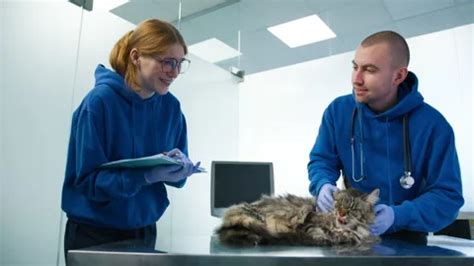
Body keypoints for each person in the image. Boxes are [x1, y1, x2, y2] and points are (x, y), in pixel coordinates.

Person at [61, 19, 200, 259]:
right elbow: (88, 182)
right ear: (136, 57)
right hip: (94, 234)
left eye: (179, 63)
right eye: (167, 62)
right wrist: (146, 175)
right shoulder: (99, 102)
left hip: (144, 230)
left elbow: (177, 179)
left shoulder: (171, 107)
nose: (174, 72)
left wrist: (179, 169)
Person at [307, 30, 464, 244]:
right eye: (355, 67)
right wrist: (322, 184)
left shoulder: (433, 126)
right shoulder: (338, 112)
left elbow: (448, 197)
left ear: (398, 76)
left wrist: (398, 216)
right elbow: (322, 161)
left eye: (369, 70)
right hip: (350, 236)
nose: (356, 79)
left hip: (409, 241)